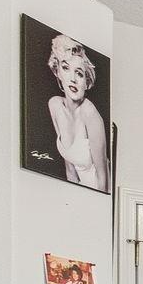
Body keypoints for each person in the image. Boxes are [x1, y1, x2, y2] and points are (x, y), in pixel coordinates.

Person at [46, 35, 108, 192]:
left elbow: (103, 177)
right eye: (66, 68)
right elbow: (70, 169)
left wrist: (95, 203)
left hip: (99, 190)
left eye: (79, 73)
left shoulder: (89, 113)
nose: (73, 79)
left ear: (86, 82)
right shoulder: (55, 105)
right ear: (57, 71)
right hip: (80, 192)